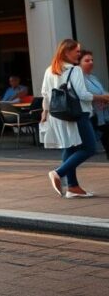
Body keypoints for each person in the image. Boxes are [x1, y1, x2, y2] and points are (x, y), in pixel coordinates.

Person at [41, 39, 99, 199]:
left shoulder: (49, 70)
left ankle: (73, 187)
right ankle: (58, 173)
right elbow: (82, 95)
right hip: (77, 113)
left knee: (70, 148)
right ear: (67, 52)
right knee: (89, 148)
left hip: (58, 114)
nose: (79, 54)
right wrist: (102, 97)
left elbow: (45, 94)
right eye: (77, 51)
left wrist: (45, 112)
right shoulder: (75, 70)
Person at [85, 53, 109, 160]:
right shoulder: (79, 79)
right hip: (93, 116)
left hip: (104, 115)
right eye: (87, 60)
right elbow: (85, 95)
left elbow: (103, 91)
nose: (91, 62)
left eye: (92, 60)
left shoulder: (93, 77)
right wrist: (101, 98)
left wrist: (106, 97)